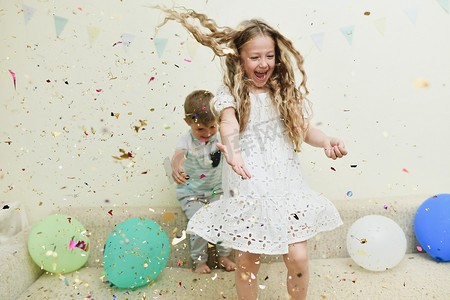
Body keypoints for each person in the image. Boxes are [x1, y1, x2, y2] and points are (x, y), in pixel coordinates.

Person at [157, 7, 348, 299]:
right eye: (255, 57)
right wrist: (233, 152)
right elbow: (228, 122)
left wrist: (326, 141)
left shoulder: (284, 91)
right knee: (248, 261)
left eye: (269, 56)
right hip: (246, 182)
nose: (263, 63)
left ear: (277, 57)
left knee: (298, 257)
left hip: (286, 184)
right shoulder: (230, 92)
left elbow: (304, 128)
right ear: (240, 58)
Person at [171, 90, 236, 274]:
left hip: (216, 191)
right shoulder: (187, 140)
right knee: (200, 222)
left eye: (212, 127)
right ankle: (199, 261)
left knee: (224, 219)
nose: (207, 133)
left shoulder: (220, 137)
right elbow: (178, 155)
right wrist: (177, 166)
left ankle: (223, 256)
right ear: (188, 122)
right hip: (192, 194)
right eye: (200, 129)